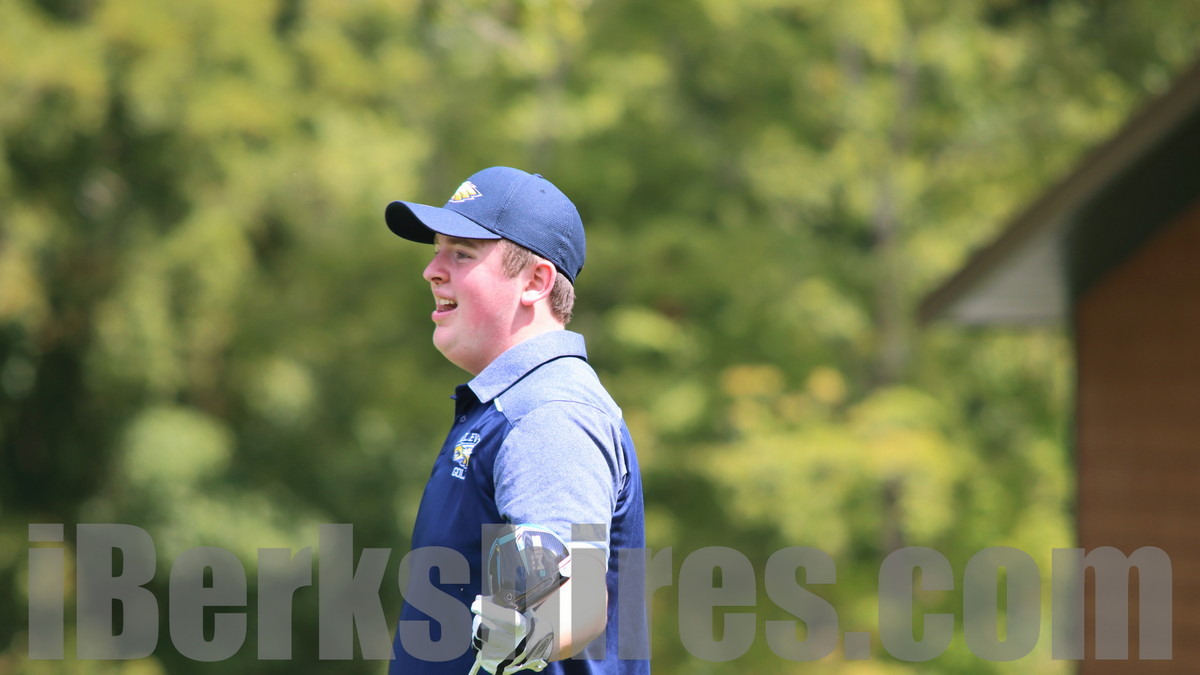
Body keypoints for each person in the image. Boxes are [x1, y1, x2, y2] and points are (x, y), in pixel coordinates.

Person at [384, 167, 649, 674]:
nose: (432, 270)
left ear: (535, 281)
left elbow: (577, 600)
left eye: (462, 254)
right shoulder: (510, 406)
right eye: (437, 251)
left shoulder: (549, 411)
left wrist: (531, 626)